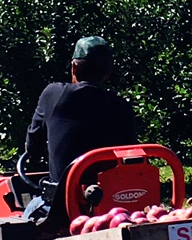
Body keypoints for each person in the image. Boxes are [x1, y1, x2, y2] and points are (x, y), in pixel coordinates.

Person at [23, 36, 140, 194]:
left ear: (74, 68)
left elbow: (33, 146)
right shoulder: (122, 107)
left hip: (63, 203)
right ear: (107, 74)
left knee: (22, 210)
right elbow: (130, 155)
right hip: (111, 200)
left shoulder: (54, 94)